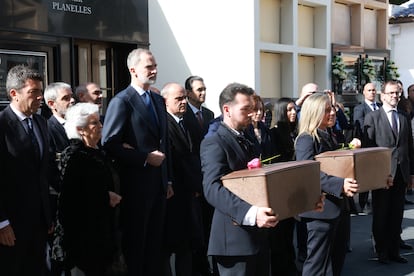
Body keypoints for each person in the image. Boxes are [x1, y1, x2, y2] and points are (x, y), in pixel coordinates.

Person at [101, 48, 173, 276]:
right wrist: (143, 157)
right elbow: (110, 143)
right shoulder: (122, 101)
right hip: (135, 187)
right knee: (136, 247)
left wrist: (167, 179)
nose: (154, 70)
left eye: (155, 66)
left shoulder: (157, 100)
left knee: (155, 248)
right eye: (149, 67)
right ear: (133, 70)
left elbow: (164, 143)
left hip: (159, 186)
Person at [200, 82, 279, 276]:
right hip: (233, 242)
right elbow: (212, 188)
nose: (252, 114)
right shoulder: (215, 141)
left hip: (257, 238)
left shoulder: (247, 138)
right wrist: (252, 213)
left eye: (253, 109)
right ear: (227, 109)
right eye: (246, 109)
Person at [295, 92, 358, 276]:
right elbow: (308, 172)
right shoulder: (306, 139)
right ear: (314, 112)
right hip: (319, 212)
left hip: (337, 208)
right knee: (317, 264)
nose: (333, 113)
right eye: (327, 110)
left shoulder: (330, 135)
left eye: (333, 109)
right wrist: (340, 185)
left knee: (335, 261)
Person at [58, 103, 121, 275]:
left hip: (105, 231)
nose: (100, 126)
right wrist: (105, 197)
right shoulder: (74, 156)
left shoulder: (99, 152)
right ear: (81, 129)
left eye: (100, 122)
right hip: (85, 237)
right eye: (94, 123)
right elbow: (70, 199)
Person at [0, 65, 51, 275]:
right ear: (14, 94)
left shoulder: (41, 122)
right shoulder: (2, 125)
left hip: (39, 224)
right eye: (34, 92)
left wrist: (48, 216)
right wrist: (2, 222)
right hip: (11, 224)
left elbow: (43, 173)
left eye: (41, 91)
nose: (41, 97)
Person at [363, 80, 414, 264]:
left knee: (396, 214)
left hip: (401, 173)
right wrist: (375, 175)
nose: (395, 96)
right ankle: (381, 251)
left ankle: (394, 251)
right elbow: (369, 151)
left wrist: (411, 174)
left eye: (397, 93)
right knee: (381, 213)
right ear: (382, 95)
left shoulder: (403, 116)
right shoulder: (373, 117)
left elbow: (409, 147)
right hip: (382, 175)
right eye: (391, 93)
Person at [161, 82, 204, 276]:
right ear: (165, 101)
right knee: (171, 247)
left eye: (184, 98)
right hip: (174, 195)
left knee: (187, 246)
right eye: (178, 98)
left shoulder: (186, 122)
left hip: (189, 194)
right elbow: (175, 159)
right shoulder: (163, 124)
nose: (184, 102)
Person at [183, 75, 215, 275]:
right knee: (196, 232)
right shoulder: (182, 115)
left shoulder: (210, 114)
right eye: (198, 90)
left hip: (209, 175)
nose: (203, 93)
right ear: (188, 93)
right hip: (193, 179)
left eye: (204, 89)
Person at [43, 82, 73, 275]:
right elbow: (50, 170)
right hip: (59, 204)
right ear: (52, 104)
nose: (72, 101)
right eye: (66, 98)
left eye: (72, 97)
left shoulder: (78, 125)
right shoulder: (48, 129)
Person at [269, 97, 298, 276]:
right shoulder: (275, 133)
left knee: (289, 233)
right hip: (281, 188)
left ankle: (290, 266)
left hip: (293, 186)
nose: (293, 112)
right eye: (288, 109)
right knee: (280, 235)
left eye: (294, 109)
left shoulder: (294, 131)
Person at [353, 83, 381, 213]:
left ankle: (376, 202)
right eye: (369, 90)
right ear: (364, 92)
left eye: (374, 90)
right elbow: (360, 126)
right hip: (367, 146)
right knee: (365, 176)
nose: (372, 92)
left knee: (377, 175)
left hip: (379, 147)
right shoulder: (360, 108)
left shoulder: (380, 107)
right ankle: (363, 203)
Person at [245, 94, 274, 161]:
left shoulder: (265, 129)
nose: (259, 112)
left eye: (261, 109)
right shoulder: (244, 131)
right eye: (255, 109)